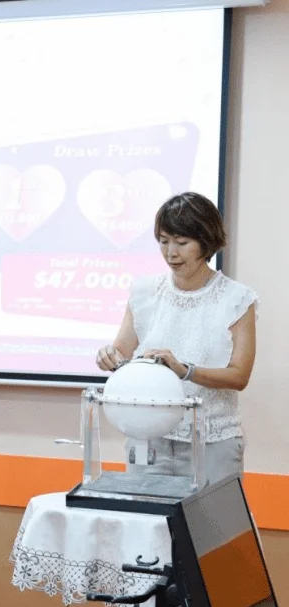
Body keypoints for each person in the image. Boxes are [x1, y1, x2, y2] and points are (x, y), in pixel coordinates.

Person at [96, 191, 258, 484]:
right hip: (148, 436)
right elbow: (121, 351)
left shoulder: (237, 299)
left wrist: (185, 370)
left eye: (181, 243)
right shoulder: (145, 292)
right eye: (163, 241)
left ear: (206, 242)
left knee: (212, 516)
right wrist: (109, 356)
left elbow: (239, 376)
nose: (171, 253)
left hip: (212, 442)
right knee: (146, 513)